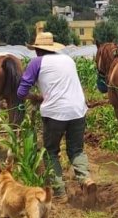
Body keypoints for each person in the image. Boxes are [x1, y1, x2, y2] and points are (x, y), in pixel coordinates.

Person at [17, 31, 92, 200]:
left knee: (50, 151)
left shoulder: (36, 62)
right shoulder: (68, 59)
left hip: (55, 113)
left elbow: (21, 92)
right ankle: (86, 179)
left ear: (37, 50)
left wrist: (34, 97)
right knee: (76, 150)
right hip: (78, 110)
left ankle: (59, 192)